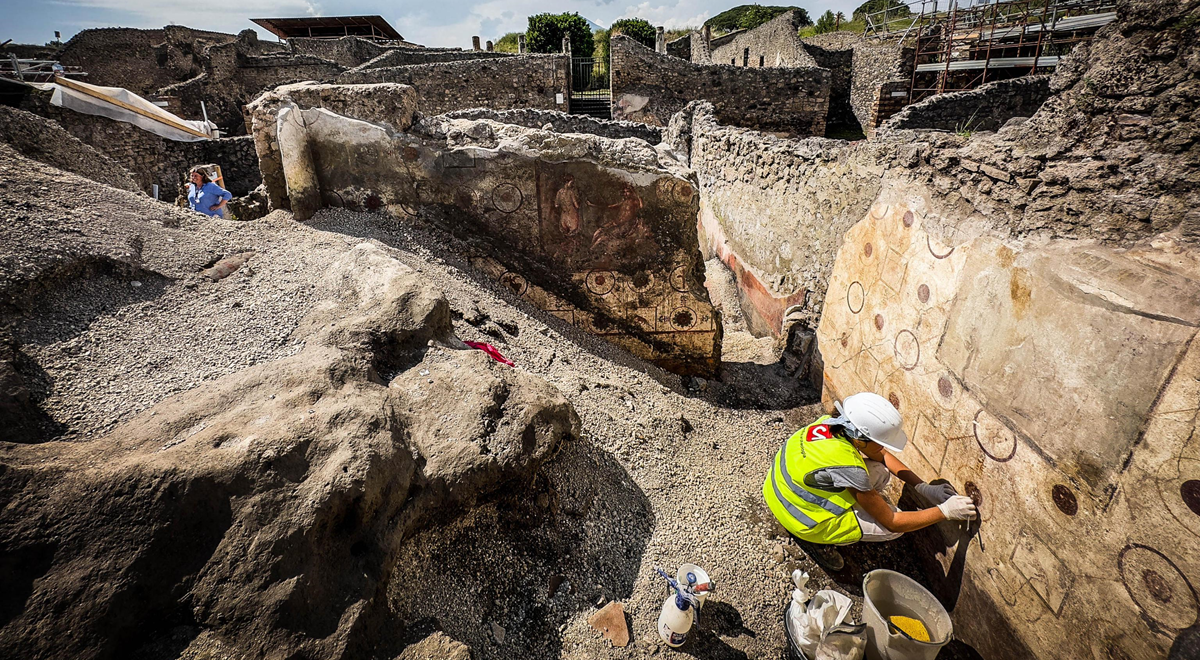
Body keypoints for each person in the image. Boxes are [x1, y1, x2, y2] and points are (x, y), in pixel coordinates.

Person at [763, 392, 978, 571]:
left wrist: (922, 487)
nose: (883, 448)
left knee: (880, 472)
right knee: (893, 529)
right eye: (879, 442)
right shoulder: (848, 465)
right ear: (860, 438)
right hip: (801, 518)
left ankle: (857, 509)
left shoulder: (831, 425)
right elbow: (891, 521)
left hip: (779, 491)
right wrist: (945, 511)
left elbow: (882, 457)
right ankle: (818, 541)